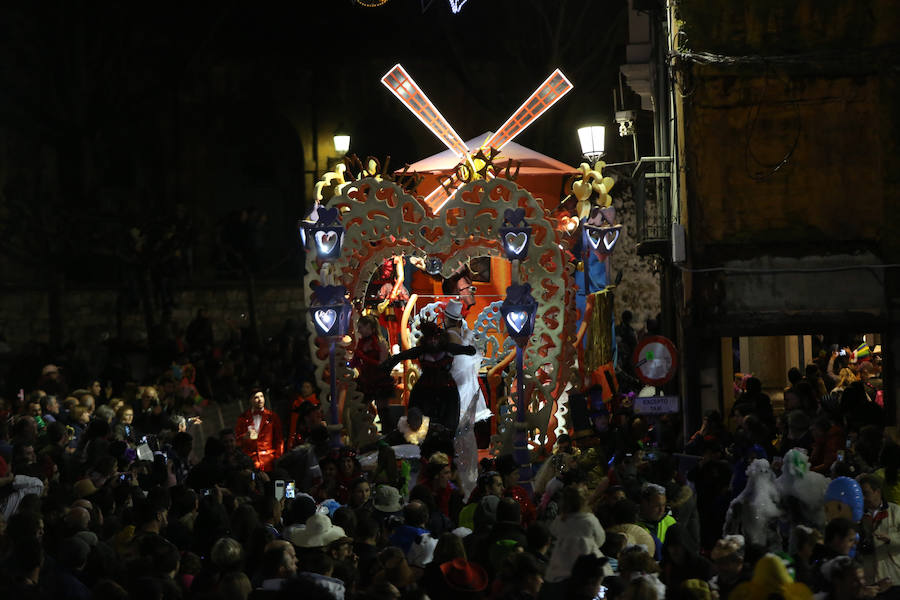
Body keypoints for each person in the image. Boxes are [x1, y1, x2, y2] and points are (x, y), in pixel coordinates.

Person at [381, 321, 475, 433]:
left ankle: (447, 435)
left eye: (435, 338)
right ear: (425, 339)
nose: (433, 341)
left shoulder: (448, 348)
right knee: (420, 416)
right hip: (425, 389)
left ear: (441, 337)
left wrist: (470, 348)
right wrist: (388, 364)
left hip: (446, 388)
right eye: (430, 339)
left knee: (448, 419)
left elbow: (467, 350)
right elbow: (401, 356)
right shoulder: (421, 350)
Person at [350, 315, 395, 432]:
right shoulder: (361, 343)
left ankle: (388, 435)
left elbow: (382, 364)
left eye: (360, 327)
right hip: (365, 380)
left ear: (369, 326)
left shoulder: (380, 343)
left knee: (383, 411)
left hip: (380, 380)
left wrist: (363, 357)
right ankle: (362, 433)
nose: (358, 330)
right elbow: (355, 362)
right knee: (359, 408)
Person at [234, 388, 283, 471]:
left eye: (261, 396)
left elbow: (279, 440)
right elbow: (237, 441)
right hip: (251, 462)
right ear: (250, 400)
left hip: (270, 460)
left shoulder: (272, 416)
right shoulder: (243, 419)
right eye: (256, 397)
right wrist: (245, 437)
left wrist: (278, 458)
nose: (260, 400)